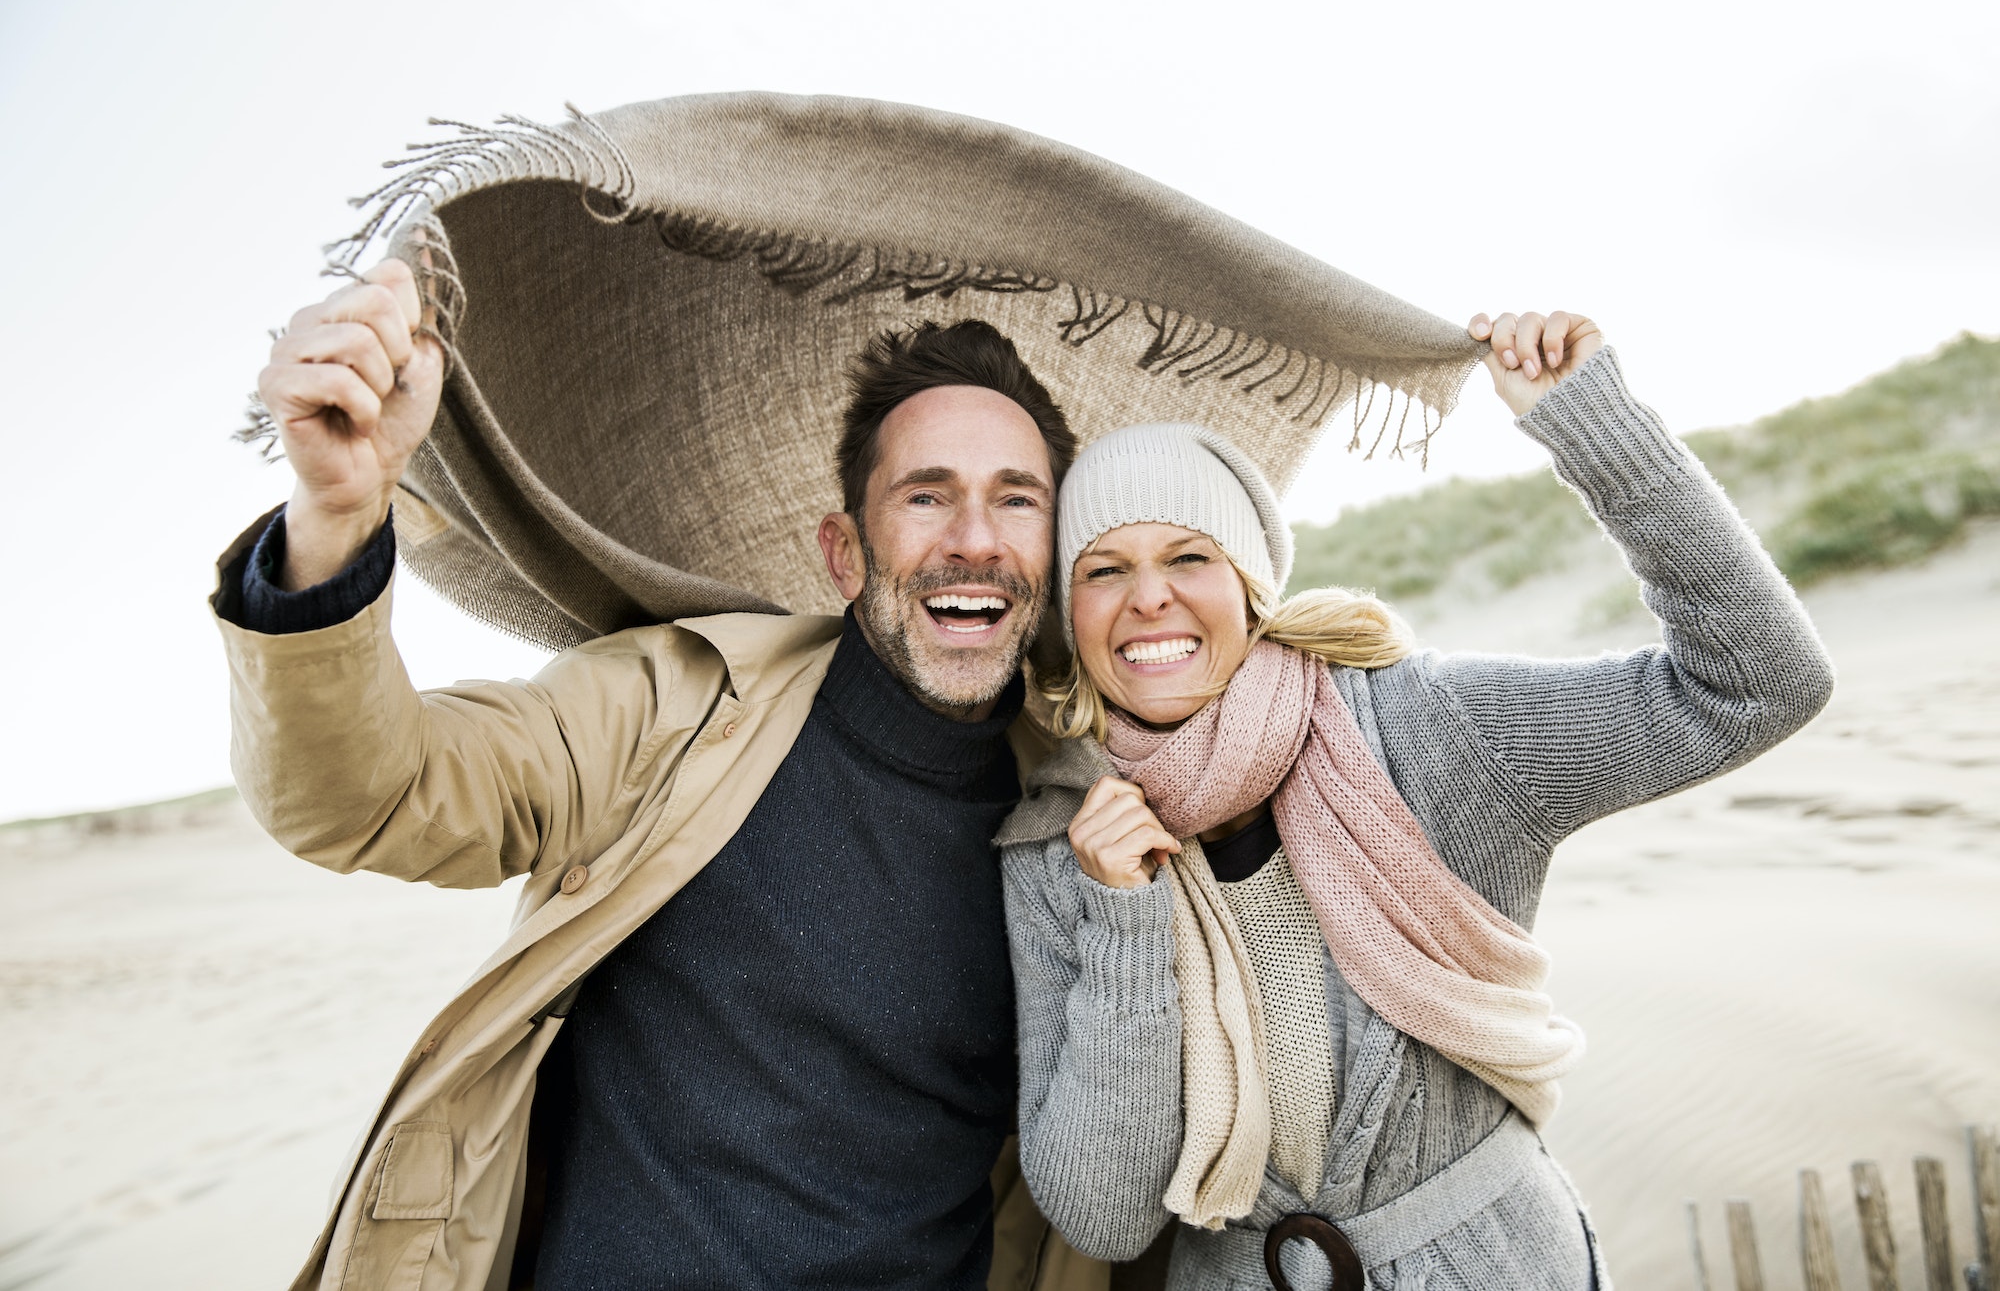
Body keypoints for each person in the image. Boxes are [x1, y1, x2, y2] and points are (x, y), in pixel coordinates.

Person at [213, 257, 1101, 1289]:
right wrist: (332, 520)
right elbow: (366, 795)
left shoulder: (1081, 821)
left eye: (1015, 499)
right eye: (925, 495)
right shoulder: (669, 705)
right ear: (844, 553)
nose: (974, 540)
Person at [996, 311, 1837, 1290]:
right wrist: (1123, 920)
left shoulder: (1424, 729)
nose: (1147, 598)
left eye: (1188, 556)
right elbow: (1100, 1214)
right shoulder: (1059, 849)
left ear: (1249, 585)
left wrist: (1590, 428)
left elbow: (1758, 682)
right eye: (1103, 570)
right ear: (1071, 614)